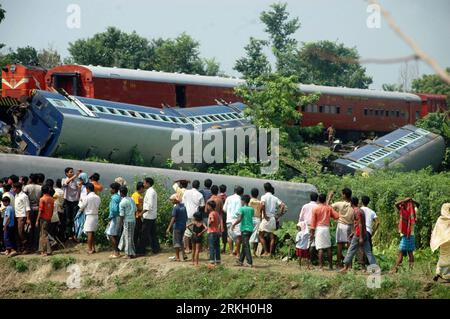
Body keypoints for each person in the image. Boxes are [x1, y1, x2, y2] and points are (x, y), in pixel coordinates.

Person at [341, 197, 377, 272]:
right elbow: (358, 224)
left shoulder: (356, 211)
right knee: (368, 252)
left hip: (359, 234)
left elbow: (360, 224)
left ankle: (345, 267)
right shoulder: (360, 210)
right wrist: (353, 233)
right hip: (364, 234)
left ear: (351, 203)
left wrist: (360, 237)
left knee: (351, 250)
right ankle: (375, 268)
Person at [310, 194, 339, 270]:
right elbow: (336, 216)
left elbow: (313, 222)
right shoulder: (328, 208)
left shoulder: (315, 209)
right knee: (328, 247)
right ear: (325, 199)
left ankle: (321, 266)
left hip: (319, 228)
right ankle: (330, 266)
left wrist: (312, 233)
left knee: (320, 248)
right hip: (326, 228)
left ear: (318, 199)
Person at [391, 197, 419, 273]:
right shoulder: (413, 211)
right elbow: (418, 205)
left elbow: (396, 204)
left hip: (406, 235)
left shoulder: (404, 211)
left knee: (400, 252)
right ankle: (410, 270)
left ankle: (395, 269)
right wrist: (412, 200)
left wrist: (404, 200)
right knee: (410, 253)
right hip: (411, 235)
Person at [259, 183, 286, 257]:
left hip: (266, 218)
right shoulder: (275, 198)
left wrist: (263, 215)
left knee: (261, 235)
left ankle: (266, 252)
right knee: (272, 237)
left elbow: (262, 205)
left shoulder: (263, 197)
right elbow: (283, 205)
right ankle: (270, 253)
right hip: (273, 218)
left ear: (264, 189)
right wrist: (279, 215)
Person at [330, 188, 354, 268]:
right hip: (350, 226)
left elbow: (329, 207)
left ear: (344, 195)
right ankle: (349, 265)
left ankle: (338, 263)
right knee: (349, 246)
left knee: (339, 245)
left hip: (341, 225)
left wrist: (330, 197)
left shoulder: (339, 204)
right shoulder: (353, 204)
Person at [138, 177, 160, 255]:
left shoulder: (150, 192)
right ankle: (156, 249)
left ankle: (141, 251)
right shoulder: (151, 191)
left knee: (144, 234)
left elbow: (149, 206)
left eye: (144, 183)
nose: (143, 184)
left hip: (148, 216)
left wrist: (141, 213)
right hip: (152, 215)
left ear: (148, 183)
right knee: (152, 233)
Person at [182, 180, 205, 254]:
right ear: (198, 186)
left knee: (187, 231)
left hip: (186, 214)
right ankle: (196, 247)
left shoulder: (186, 192)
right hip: (195, 216)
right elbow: (202, 206)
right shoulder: (200, 195)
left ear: (192, 185)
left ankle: (187, 248)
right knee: (196, 231)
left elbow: (183, 202)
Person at [232, 194, 254, 267]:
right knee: (245, 245)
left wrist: (234, 224)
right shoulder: (251, 209)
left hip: (245, 229)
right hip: (250, 229)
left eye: (241, 200)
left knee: (246, 246)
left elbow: (239, 218)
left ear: (243, 201)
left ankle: (249, 262)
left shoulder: (242, 209)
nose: (241, 202)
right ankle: (240, 261)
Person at [78, 183, 101, 254]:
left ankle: (89, 249)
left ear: (87, 189)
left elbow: (82, 207)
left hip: (89, 215)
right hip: (96, 215)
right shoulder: (98, 197)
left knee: (89, 233)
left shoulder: (87, 197)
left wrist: (81, 202)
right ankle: (93, 248)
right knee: (92, 232)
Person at [431, 203, 450, 282]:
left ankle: (438, 272)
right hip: (448, 240)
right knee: (448, 257)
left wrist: (436, 240)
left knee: (442, 256)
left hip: (442, 241)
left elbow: (436, 231)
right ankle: (447, 276)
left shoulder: (440, 219)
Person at [166, 194, 188, 262]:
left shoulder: (176, 208)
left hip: (177, 227)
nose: (171, 201)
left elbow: (173, 218)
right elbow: (186, 217)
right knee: (181, 241)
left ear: (175, 200)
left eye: (172, 200)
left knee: (176, 242)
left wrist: (169, 227)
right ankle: (184, 254)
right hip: (183, 226)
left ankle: (177, 257)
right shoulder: (183, 207)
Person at [23, 174, 41, 251]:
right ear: (37, 180)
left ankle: (29, 244)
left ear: (30, 179)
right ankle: (35, 244)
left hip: (29, 208)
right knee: (36, 227)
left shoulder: (27, 187)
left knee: (29, 227)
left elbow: (24, 197)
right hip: (37, 208)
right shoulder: (40, 187)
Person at [224, 186, 244, 256]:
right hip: (237, 220)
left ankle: (231, 252)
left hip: (229, 219)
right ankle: (238, 253)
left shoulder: (228, 198)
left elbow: (224, 209)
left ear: (234, 191)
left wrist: (229, 213)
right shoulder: (241, 199)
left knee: (230, 236)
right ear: (242, 193)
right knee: (238, 236)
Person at [298, 192, 319, 260]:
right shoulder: (318, 206)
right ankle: (310, 259)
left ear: (310, 198)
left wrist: (299, 226)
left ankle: (303, 258)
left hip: (305, 226)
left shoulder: (305, 206)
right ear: (317, 199)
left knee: (304, 242)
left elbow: (301, 217)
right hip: (314, 226)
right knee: (312, 243)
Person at [62, 167, 80, 240]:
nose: (72, 173)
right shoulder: (64, 180)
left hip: (75, 202)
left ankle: (74, 234)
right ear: (66, 173)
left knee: (74, 218)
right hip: (67, 202)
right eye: (70, 172)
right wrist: (75, 175)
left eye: (72, 172)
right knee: (67, 219)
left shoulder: (75, 182)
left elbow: (79, 188)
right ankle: (67, 234)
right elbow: (66, 183)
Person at [118, 186, 137, 259]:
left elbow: (122, 215)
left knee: (127, 237)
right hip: (133, 220)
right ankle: (132, 252)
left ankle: (128, 254)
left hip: (127, 221)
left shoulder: (122, 202)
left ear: (121, 193)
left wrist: (121, 223)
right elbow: (135, 210)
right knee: (130, 237)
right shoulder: (131, 199)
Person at [36, 185, 54, 256]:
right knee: (43, 234)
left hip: (43, 219)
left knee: (43, 235)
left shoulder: (42, 199)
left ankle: (45, 251)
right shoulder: (51, 199)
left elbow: (40, 211)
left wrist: (37, 220)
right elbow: (52, 210)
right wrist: (50, 217)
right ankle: (42, 250)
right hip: (48, 218)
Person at [13, 182, 30, 253]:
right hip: (17, 216)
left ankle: (26, 247)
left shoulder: (24, 196)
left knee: (21, 232)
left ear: (18, 188)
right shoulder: (16, 195)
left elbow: (27, 208)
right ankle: (21, 247)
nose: (13, 189)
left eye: (14, 188)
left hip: (22, 216)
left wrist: (28, 218)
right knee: (18, 233)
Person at [106, 182, 122, 258]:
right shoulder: (118, 197)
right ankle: (117, 251)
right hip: (118, 217)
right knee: (115, 234)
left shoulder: (114, 197)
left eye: (111, 188)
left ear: (114, 189)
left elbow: (114, 209)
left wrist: (110, 217)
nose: (110, 190)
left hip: (115, 217)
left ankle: (116, 252)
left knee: (110, 234)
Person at [207, 201, 221, 267]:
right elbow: (218, 222)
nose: (207, 207)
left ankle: (212, 260)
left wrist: (209, 224)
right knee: (217, 246)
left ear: (210, 206)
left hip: (212, 232)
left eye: (208, 206)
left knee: (211, 246)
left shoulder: (211, 213)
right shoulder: (217, 213)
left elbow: (212, 220)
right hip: (217, 231)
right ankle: (218, 260)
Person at [248, 188, 262, 257]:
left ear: (251, 194)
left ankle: (249, 251)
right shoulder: (260, 202)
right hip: (257, 219)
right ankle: (254, 252)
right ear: (257, 194)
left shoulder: (250, 201)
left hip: (250, 218)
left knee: (249, 234)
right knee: (256, 235)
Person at [131, 182, 145, 246]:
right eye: (143, 188)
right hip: (136, 216)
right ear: (141, 188)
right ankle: (135, 245)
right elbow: (136, 206)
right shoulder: (136, 195)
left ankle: (138, 245)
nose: (144, 190)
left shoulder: (139, 195)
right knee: (137, 231)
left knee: (139, 231)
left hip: (139, 215)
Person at [218, 184, 228, 254]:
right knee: (224, 231)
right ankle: (224, 248)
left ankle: (217, 246)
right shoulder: (226, 197)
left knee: (216, 230)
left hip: (218, 215)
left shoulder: (217, 197)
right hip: (224, 215)